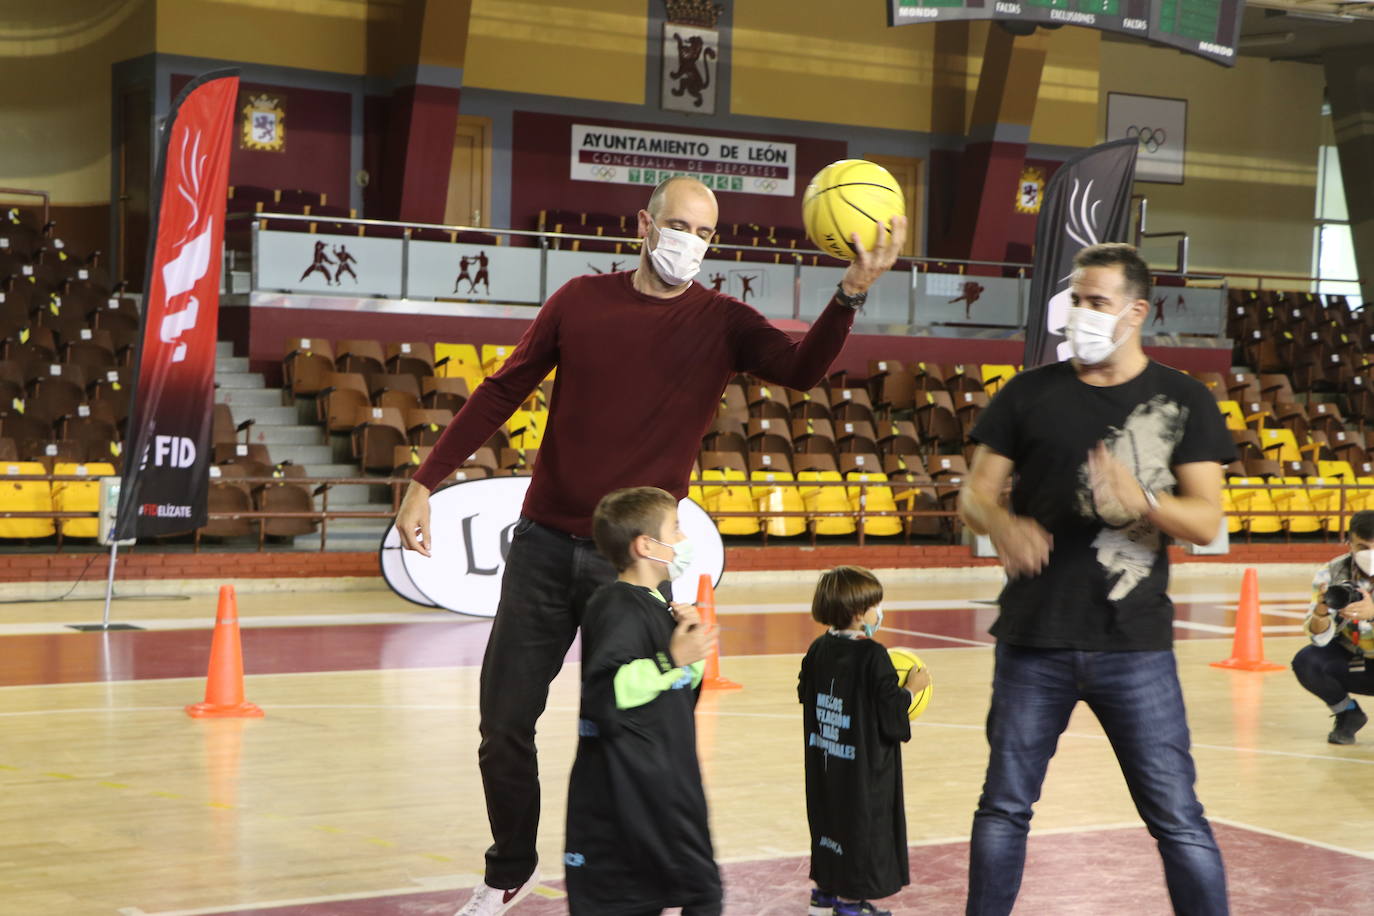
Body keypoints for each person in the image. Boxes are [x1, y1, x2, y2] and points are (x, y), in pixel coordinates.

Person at [394, 175, 906, 915]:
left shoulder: (724, 322)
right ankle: (509, 867)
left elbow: (802, 370)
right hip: (542, 546)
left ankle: (637, 875)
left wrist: (851, 292)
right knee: (503, 726)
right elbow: (502, 389)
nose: (689, 242)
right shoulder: (579, 301)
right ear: (644, 224)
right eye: (678, 225)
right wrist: (426, 479)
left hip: (634, 568)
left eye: (704, 233)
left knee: (637, 730)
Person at [957, 242, 1235, 916]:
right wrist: (1001, 523)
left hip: (1135, 645)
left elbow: (1206, 522)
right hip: (1033, 638)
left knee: (1177, 818)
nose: (1080, 313)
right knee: (1003, 809)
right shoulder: (1026, 393)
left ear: (1135, 311)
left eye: (1096, 302)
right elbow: (974, 495)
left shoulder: (1184, 398)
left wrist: (1144, 501)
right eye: (1076, 300)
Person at [564, 487, 721, 915]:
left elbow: (671, 691)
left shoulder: (659, 605)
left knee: (682, 893)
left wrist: (692, 656)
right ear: (645, 545)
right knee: (699, 894)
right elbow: (607, 689)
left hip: (666, 780)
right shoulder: (615, 604)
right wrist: (673, 656)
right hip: (636, 788)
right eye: (675, 528)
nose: (684, 536)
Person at [798, 566, 927, 916]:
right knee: (861, 829)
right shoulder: (873, 655)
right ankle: (851, 906)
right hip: (863, 771)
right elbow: (891, 716)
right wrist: (911, 689)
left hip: (825, 760)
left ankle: (823, 897)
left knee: (829, 825)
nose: (879, 612)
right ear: (858, 612)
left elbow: (803, 692)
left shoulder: (818, 648)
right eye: (876, 605)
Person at [1292, 510, 1374, 744]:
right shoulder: (1332, 573)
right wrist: (1321, 613)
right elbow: (1319, 638)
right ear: (1349, 544)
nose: (1370, 554)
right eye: (1362, 547)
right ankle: (1347, 713)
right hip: (1355, 659)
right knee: (1307, 661)